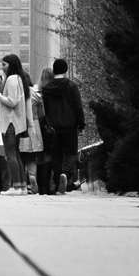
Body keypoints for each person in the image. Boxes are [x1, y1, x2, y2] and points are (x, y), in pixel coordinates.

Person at [41, 58, 85, 194]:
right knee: (71, 153)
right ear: (66, 70)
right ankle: (66, 174)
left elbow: (45, 109)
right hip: (69, 125)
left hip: (53, 127)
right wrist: (81, 124)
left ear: (54, 70)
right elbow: (78, 106)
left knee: (56, 156)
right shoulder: (71, 86)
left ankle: (57, 180)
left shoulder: (46, 88)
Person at [0, 54, 30, 194]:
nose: (2, 68)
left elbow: (12, 101)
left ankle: (16, 187)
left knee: (10, 154)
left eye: (4, 65)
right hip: (17, 122)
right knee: (16, 154)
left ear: (11, 65)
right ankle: (22, 186)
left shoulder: (11, 79)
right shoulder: (20, 79)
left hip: (10, 122)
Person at [19, 69, 48, 195]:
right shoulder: (36, 95)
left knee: (20, 158)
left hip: (20, 126)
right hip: (34, 127)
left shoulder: (18, 94)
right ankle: (32, 179)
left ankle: (22, 183)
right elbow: (42, 114)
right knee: (32, 158)